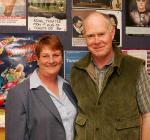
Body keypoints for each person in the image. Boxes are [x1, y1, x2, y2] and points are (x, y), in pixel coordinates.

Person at [71, 12, 150, 140]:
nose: (97, 41)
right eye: (91, 36)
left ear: (112, 33)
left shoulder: (135, 68)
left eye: (101, 34)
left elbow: (148, 115)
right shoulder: (77, 70)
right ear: (84, 37)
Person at [5, 34, 77, 140]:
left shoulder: (68, 87)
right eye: (45, 56)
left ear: (62, 58)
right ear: (38, 60)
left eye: (56, 55)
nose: (51, 60)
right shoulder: (18, 94)